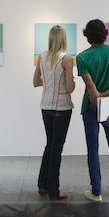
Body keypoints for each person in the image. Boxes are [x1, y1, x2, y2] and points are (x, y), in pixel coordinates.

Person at [76, 19, 109, 202]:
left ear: (87, 35)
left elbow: (89, 84)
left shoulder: (83, 57)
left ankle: (96, 191)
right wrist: (107, 96)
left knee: (93, 148)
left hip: (90, 107)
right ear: (104, 33)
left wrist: (99, 96)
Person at [33, 25, 75, 200]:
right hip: (62, 107)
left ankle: (43, 185)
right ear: (64, 39)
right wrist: (70, 80)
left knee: (50, 145)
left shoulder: (42, 57)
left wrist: (50, 84)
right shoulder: (66, 59)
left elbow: (36, 82)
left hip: (46, 106)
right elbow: (70, 88)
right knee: (56, 148)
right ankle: (53, 190)